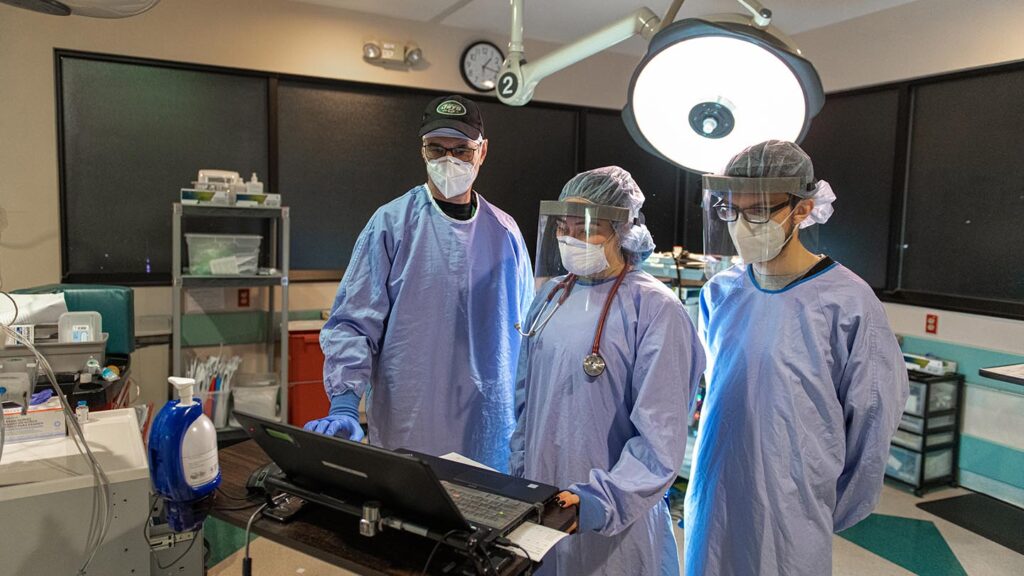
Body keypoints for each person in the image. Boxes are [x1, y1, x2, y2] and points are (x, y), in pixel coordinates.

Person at [684, 140, 909, 575]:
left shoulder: (848, 301)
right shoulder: (721, 292)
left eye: (759, 211)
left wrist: (825, 502)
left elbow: (873, 420)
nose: (743, 224)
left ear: (803, 210)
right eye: (732, 210)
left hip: (795, 500)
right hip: (718, 485)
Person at [304, 95, 534, 472]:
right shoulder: (392, 224)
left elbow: (526, 338)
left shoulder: (505, 232)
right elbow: (353, 325)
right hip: (411, 425)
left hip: (489, 427)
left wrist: (530, 415)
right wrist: (345, 403)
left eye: (461, 150)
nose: (449, 160)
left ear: (482, 152)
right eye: (436, 148)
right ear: (422, 150)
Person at [510, 166, 706, 576]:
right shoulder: (551, 296)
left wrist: (602, 503)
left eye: (588, 226)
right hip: (544, 509)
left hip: (615, 526)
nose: (570, 236)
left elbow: (659, 438)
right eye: (565, 224)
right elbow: (526, 407)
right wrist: (521, 482)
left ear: (624, 230)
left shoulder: (655, 310)